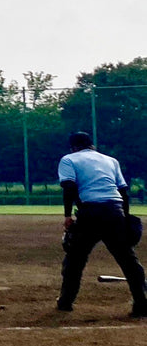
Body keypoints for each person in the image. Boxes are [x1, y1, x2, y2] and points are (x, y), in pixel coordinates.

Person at [57, 131, 147, 317]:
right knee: (128, 260)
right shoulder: (110, 160)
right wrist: (126, 217)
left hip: (89, 213)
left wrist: (67, 216)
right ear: (92, 145)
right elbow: (123, 191)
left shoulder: (69, 159)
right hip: (115, 211)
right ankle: (141, 303)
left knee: (75, 259)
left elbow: (69, 187)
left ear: (73, 147)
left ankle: (66, 302)